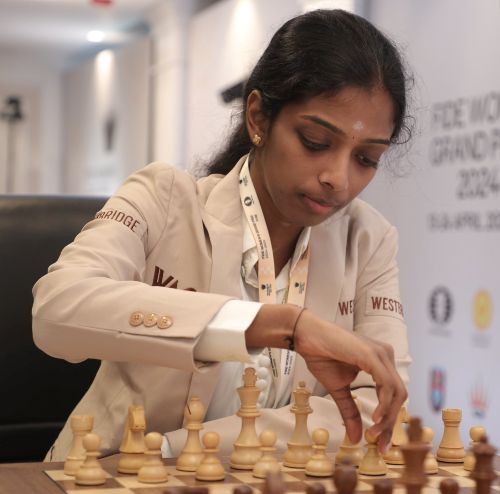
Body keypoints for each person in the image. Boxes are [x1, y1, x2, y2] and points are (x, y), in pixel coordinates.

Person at [32, 8, 411, 462]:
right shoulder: (163, 198)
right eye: (315, 141)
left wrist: (176, 447)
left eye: (366, 159)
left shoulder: (369, 240)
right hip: (107, 476)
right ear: (258, 118)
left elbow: (375, 411)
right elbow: (56, 310)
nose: (339, 179)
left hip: (228, 477)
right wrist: (274, 325)